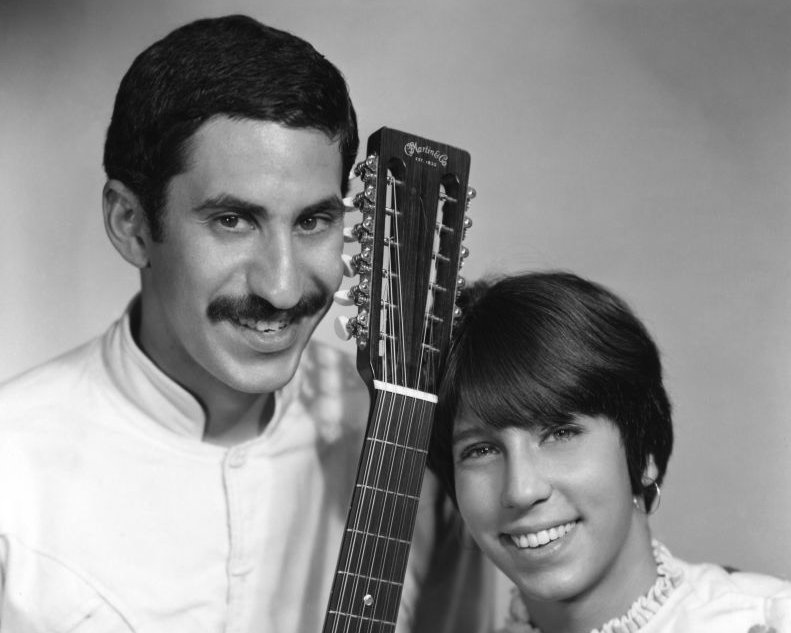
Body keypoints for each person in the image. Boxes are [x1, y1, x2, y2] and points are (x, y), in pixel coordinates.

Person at [0, 15, 490, 633]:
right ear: (130, 223)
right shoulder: (10, 473)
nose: (282, 287)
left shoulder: (414, 435)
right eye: (233, 221)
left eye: (313, 221)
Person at [429, 271, 791, 633]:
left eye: (561, 432)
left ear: (644, 451)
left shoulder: (767, 618)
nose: (521, 490)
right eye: (481, 450)